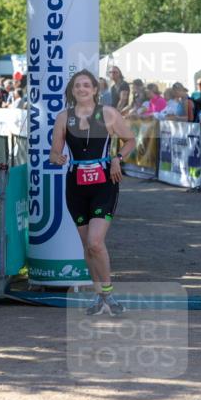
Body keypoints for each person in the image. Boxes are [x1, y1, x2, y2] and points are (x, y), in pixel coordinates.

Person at [49, 70, 136, 316]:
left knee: (95, 242)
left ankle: (109, 295)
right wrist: (58, 157)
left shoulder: (108, 114)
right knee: (87, 247)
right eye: (78, 86)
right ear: (72, 90)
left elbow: (130, 140)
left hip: (104, 183)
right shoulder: (63, 118)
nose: (82, 89)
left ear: (95, 90)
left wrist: (118, 158)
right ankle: (100, 297)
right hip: (76, 186)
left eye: (87, 85)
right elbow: (54, 152)